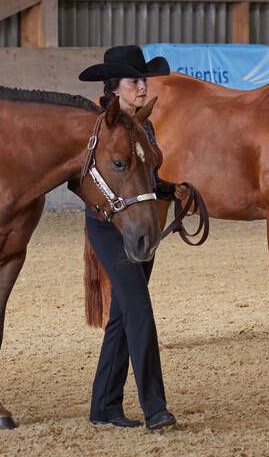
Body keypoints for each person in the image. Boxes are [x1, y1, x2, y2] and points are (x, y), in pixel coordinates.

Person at [78, 45, 189, 429]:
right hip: (107, 225)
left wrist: (170, 190)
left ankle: (104, 406)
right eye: (134, 81)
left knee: (124, 313)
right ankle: (154, 407)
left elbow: (145, 180)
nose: (142, 87)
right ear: (114, 86)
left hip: (140, 222)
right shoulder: (99, 124)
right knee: (139, 307)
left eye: (144, 80)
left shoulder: (143, 124)